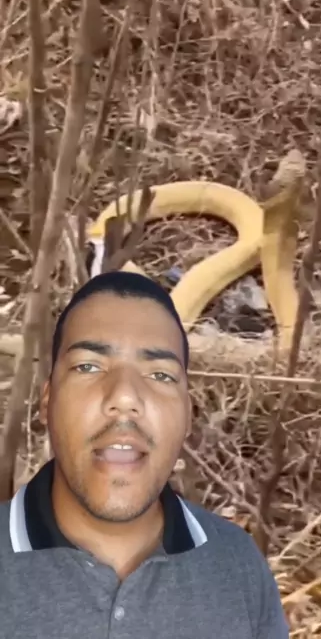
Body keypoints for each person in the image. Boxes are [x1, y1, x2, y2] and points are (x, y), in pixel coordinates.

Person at [0, 271, 289, 638]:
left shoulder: (237, 568)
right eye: (88, 366)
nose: (125, 397)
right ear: (47, 401)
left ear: (188, 414)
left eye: (160, 375)